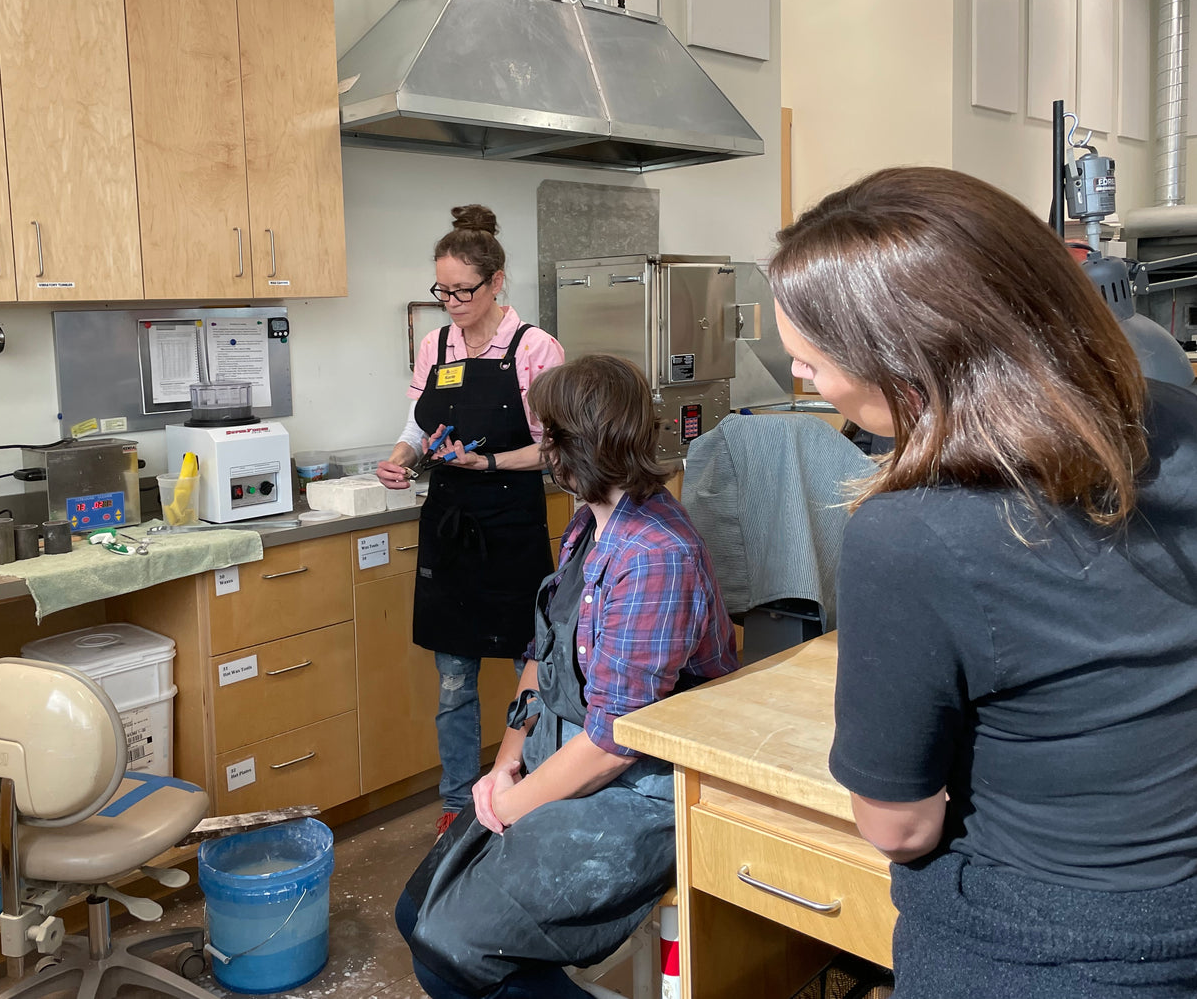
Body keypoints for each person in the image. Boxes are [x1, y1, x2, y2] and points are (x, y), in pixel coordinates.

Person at [768, 166, 1197, 998]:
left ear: (908, 365)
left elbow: (901, 821)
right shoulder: (1180, 421)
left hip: (1046, 948)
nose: (807, 384)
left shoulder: (911, 532)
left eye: (812, 364)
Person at [394, 354, 739, 999]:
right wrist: (502, 767)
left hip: (640, 788)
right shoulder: (588, 521)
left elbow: (615, 741)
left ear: (573, 443)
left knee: (451, 950)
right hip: (562, 753)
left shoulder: (656, 552)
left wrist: (512, 810)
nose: (540, 445)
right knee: (416, 915)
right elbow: (541, 651)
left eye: (547, 433)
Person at [376, 204, 564, 838]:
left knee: (528, 671)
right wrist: (402, 458)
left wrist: (489, 462)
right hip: (450, 525)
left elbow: (557, 447)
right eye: (442, 291)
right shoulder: (436, 345)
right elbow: (418, 425)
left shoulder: (536, 348)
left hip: (511, 524)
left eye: (464, 291)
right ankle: (458, 805)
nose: (452, 303)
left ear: (497, 281)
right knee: (454, 681)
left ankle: (532, 792)